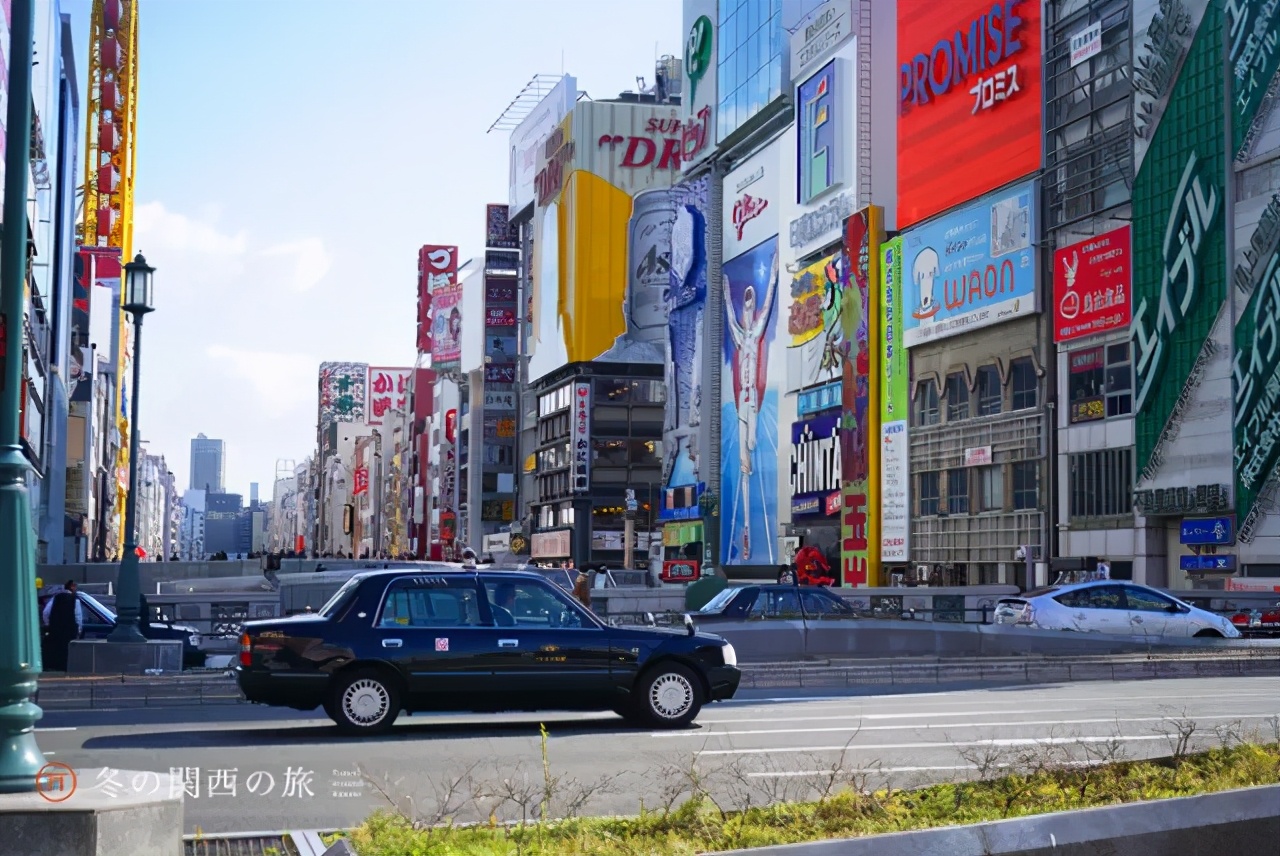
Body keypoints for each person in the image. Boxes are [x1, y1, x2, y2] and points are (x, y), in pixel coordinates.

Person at [723, 251, 779, 562]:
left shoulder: (756, 333)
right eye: (744, 306)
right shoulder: (739, 335)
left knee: (753, 446)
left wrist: (773, 275)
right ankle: (745, 528)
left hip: (752, 399)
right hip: (741, 400)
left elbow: (768, 305)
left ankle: (749, 526)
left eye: (749, 305)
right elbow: (729, 317)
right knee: (744, 462)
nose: (746, 310)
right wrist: (724, 291)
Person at [42, 580, 84, 671]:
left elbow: (46, 613)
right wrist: (78, 630)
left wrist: (49, 624)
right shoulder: (75, 599)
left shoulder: (56, 598)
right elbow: (78, 617)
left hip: (56, 630)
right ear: (72, 587)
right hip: (69, 630)